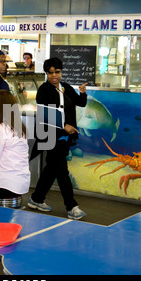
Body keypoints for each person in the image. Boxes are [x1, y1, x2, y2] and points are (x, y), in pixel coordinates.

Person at [28, 57, 88, 220]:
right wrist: (63, 126)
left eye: (57, 72)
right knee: (61, 171)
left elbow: (80, 103)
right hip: (50, 136)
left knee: (52, 169)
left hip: (64, 138)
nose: (54, 75)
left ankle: (36, 199)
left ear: (61, 72)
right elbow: (44, 115)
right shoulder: (43, 90)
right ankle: (72, 206)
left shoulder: (66, 87)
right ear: (47, 73)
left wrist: (82, 93)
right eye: (51, 72)